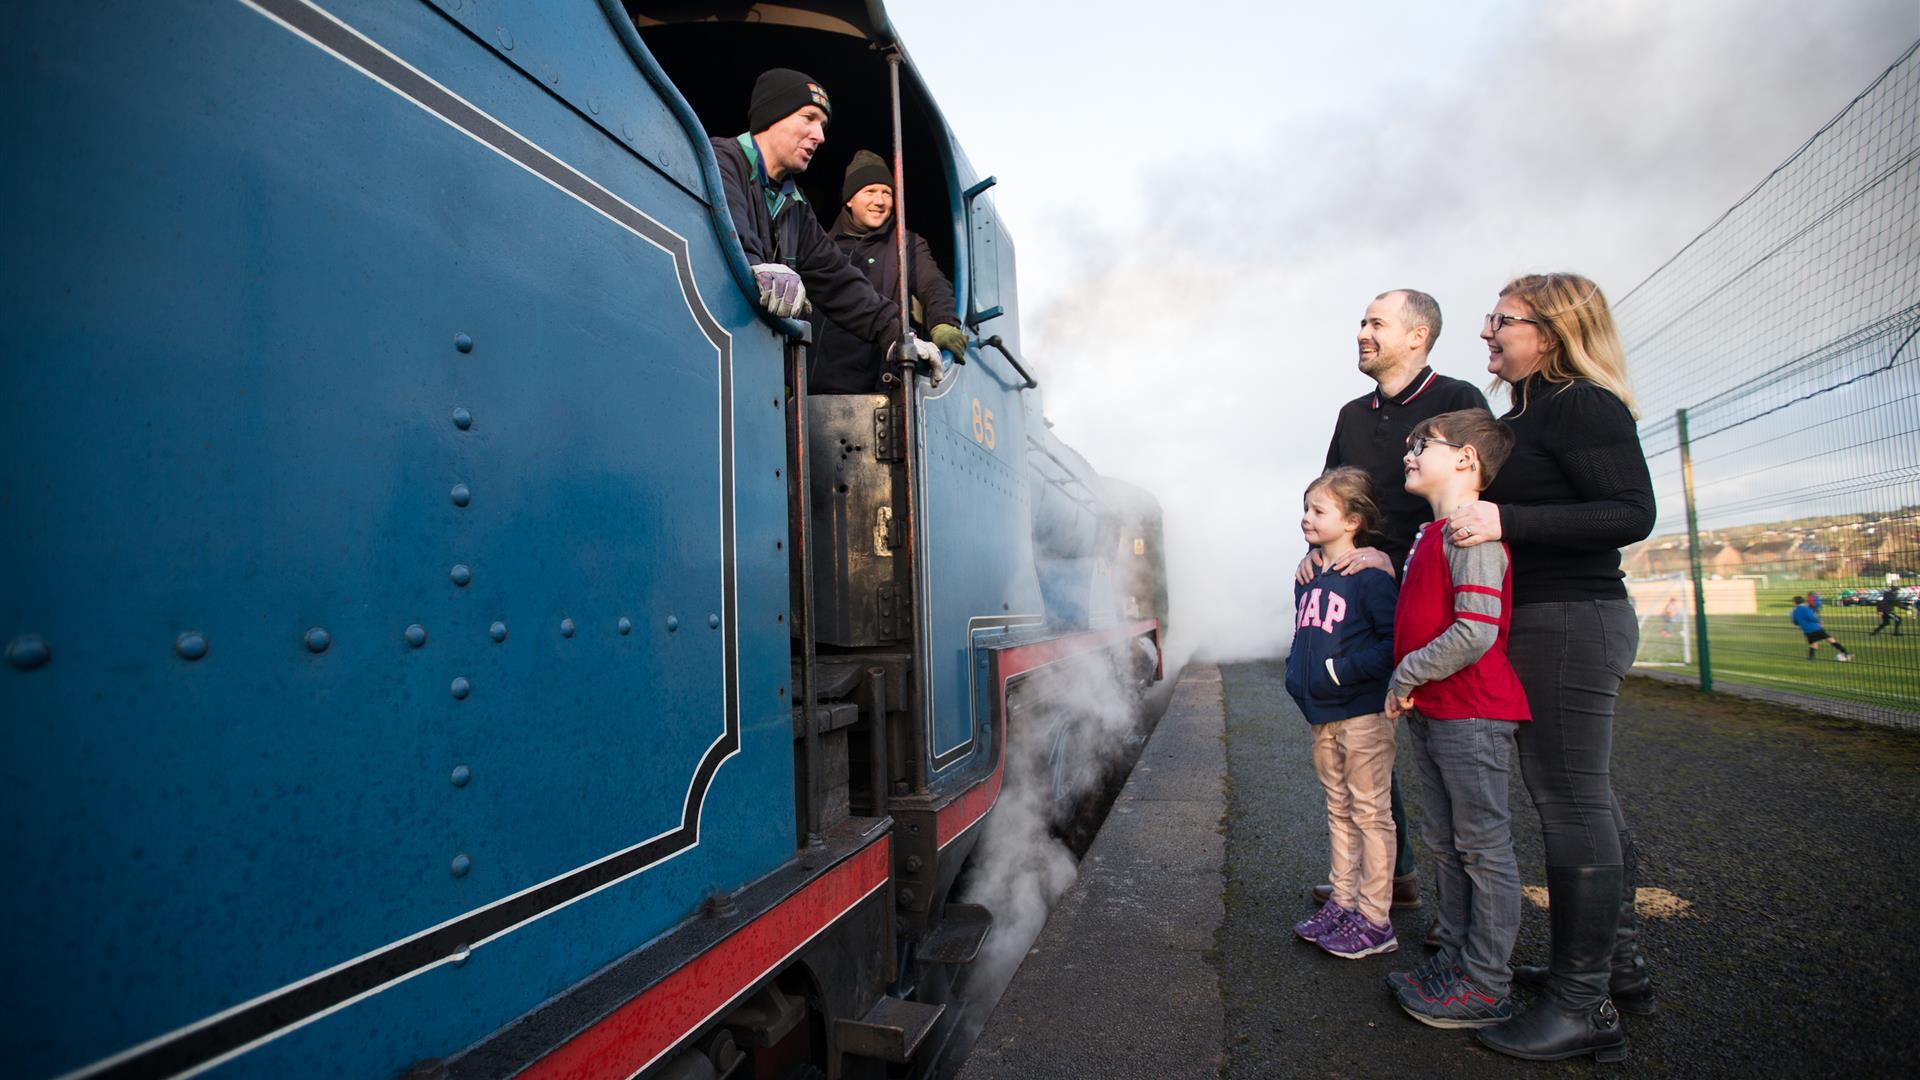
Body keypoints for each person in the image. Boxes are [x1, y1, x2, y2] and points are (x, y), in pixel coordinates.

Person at [1446, 273, 1655, 1063]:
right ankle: (1616, 967)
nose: (1488, 332)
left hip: (1574, 618)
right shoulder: (1522, 414)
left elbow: (1632, 511)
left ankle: (1581, 1006)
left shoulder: (1581, 404)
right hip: (1546, 620)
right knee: (1584, 795)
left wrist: (1507, 517)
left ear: (1552, 332)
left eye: (1503, 320)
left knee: (1568, 804)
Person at [1302, 289, 1487, 924]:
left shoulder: (1458, 399)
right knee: (1366, 737)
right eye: (1360, 320)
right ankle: (1393, 877)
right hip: (1364, 598)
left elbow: (1478, 492)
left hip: (1436, 590)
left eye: (1376, 322)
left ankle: (1462, 920)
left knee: (1446, 747)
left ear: (1418, 335)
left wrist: (1403, 558)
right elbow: (1335, 496)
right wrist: (1319, 558)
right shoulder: (1353, 415)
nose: (1362, 332)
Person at [1379, 409, 1529, 1029]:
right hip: (1439, 714)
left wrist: (1407, 673)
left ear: (1466, 459)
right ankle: (1458, 962)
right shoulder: (1432, 533)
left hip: (1471, 714)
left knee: (1483, 849)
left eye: (1423, 445)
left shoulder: (1472, 534)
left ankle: (1487, 983)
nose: (1409, 454)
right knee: (1446, 842)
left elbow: (1475, 630)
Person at [710, 69, 938, 372]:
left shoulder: (797, 207)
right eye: (809, 117)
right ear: (771, 115)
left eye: (823, 125)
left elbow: (838, 278)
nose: (820, 136)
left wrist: (896, 333)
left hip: (754, 362)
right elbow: (730, 232)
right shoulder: (721, 161)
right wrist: (756, 266)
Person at [1284, 467, 1401, 959]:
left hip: (1361, 715)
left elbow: (1394, 642)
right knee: (1339, 811)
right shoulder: (1309, 576)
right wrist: (1299, 677)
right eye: (1306, 508)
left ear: (1352, 520)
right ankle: (1344, 902)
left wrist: (1338, 674)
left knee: (1372, 814)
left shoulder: (1371, 577)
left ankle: (1375, 920)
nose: (1306, 518)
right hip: (1322, 717)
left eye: (1318, 510)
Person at [810, 150, 970, 393]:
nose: (880, 201)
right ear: (850, 199)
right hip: (813, 386)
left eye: (887, 192)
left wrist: (943, 323)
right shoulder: (822, 245)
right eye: (870, 192)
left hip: (874, 386)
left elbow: (933, 285)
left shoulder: (905, 244)